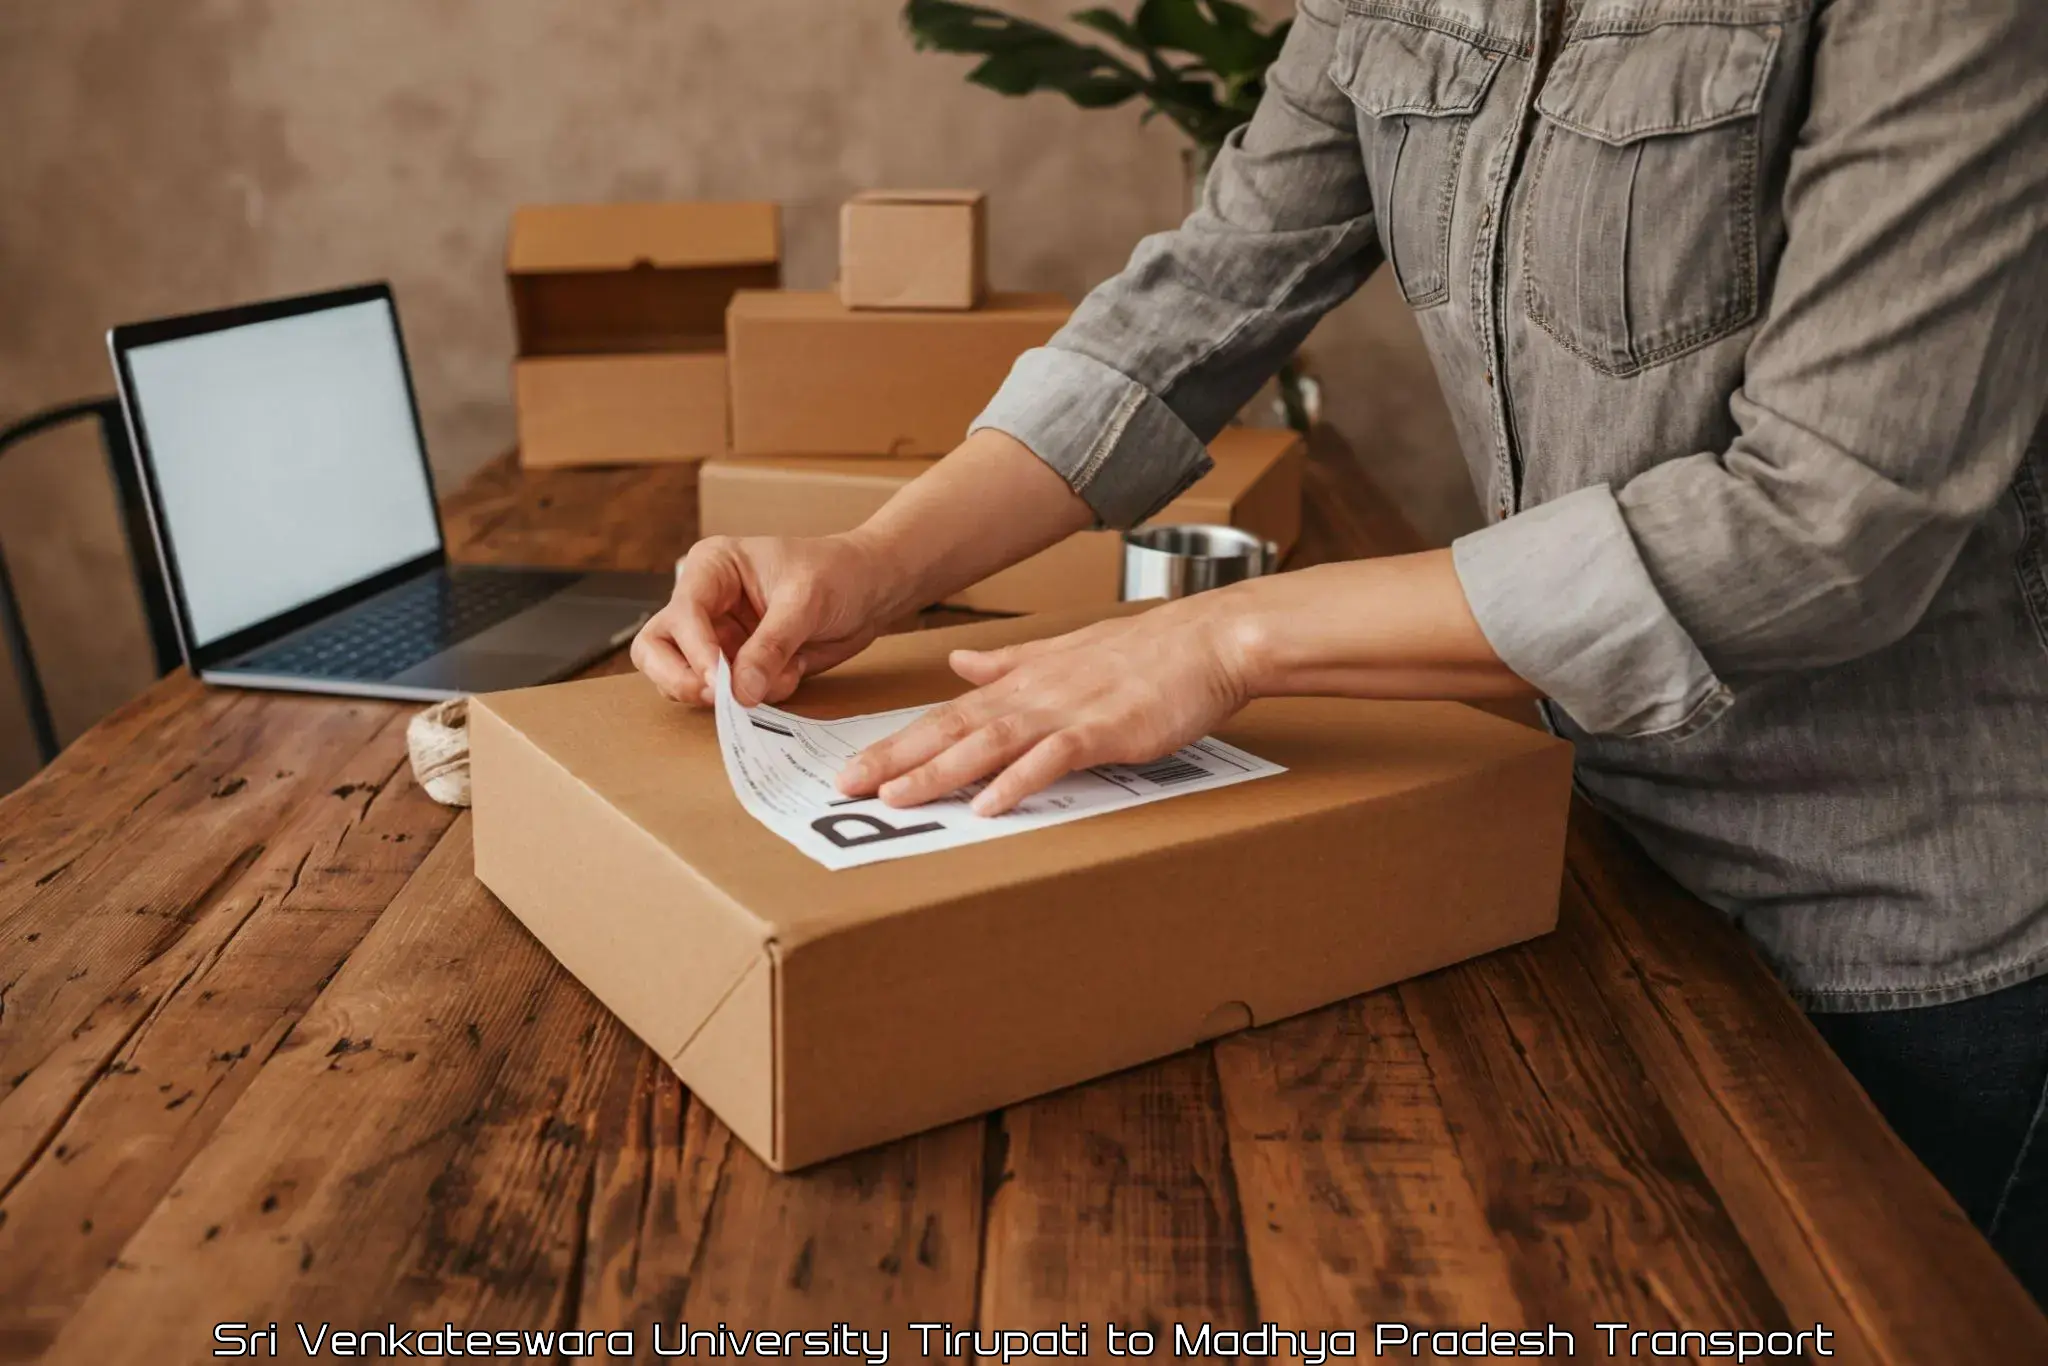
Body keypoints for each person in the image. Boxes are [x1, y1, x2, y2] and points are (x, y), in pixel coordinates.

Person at [634, 0, 2048, 1297]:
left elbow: (1830, 523)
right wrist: (877, 564)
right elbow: (1198, 299)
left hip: (1912, 934)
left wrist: (1230, 639)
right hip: (1591, 849)